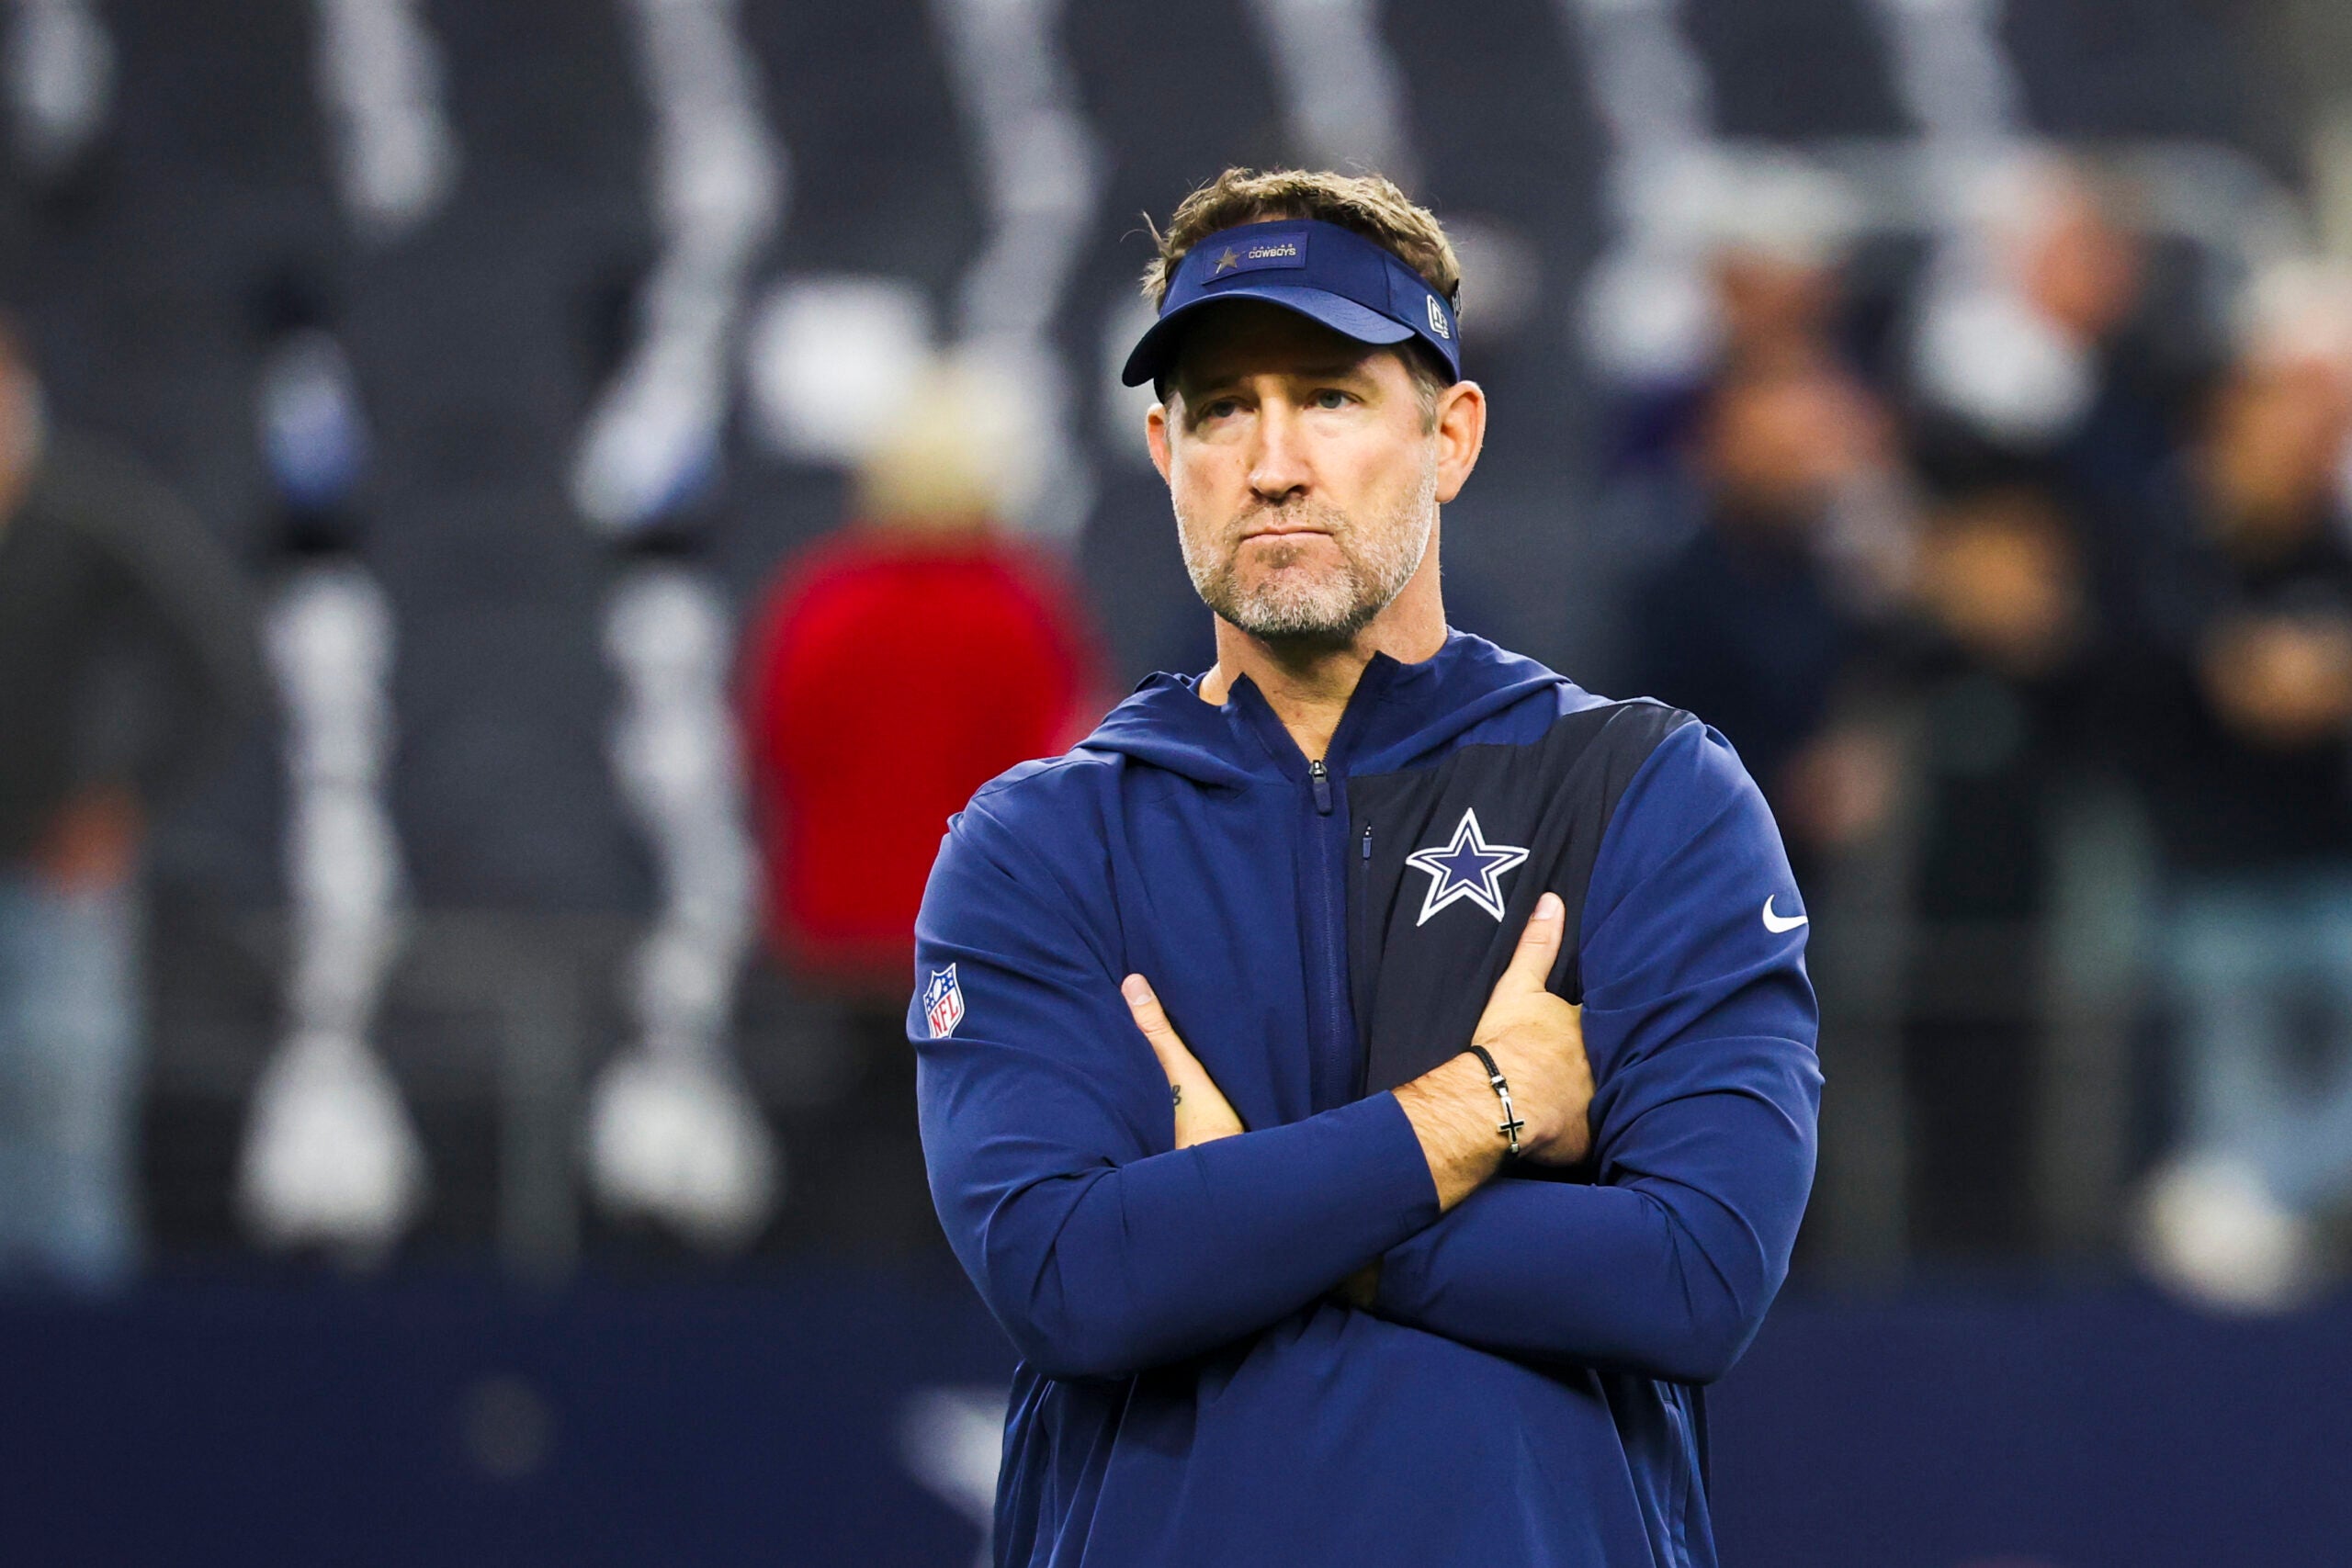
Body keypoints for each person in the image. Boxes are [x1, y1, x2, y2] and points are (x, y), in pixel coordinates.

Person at [910, 169, 1820, 1564]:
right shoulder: (1038, 843)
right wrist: (1482, 1107)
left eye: (1330, 396)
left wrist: (1243, 1209)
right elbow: (1071, 1277)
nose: (1272, 460)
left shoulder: (1647, 791)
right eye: (1222, 407)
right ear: (1165, 449)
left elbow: (1697, 1275)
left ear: (1449, 434)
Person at [0, 322, 263, 1287]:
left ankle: (82, 1379)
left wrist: (127, 802)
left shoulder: (84, 515)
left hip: (53, 885)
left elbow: (222, 665)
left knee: (61, 1120)